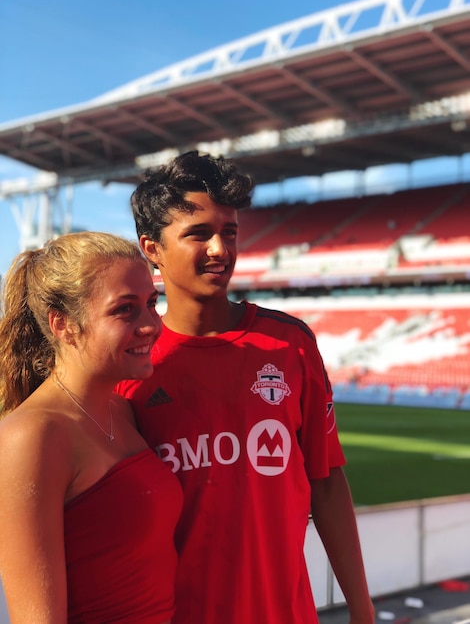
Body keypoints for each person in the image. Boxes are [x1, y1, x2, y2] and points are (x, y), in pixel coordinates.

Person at [116, 151, 375, 624]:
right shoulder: (129, 366)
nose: (220, 249)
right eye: (198, 234)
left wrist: (363, 610)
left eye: (229, 232)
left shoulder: (290, 344)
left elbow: (327, 482)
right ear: (150, 248)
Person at [0, 231, 183, 624]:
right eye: (125, 309)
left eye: (152, 304)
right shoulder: (31, 437)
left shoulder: (123, 410)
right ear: (63, 324)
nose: (151, 324)